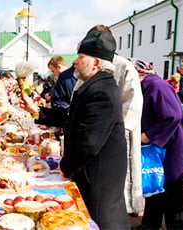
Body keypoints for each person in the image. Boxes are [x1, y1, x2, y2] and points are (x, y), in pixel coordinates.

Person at [20, 25, 129, 229]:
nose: (75, 62)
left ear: (96, 63)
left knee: (102, 220)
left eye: (80, 57)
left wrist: (66, 167)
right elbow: (74, 117)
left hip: (98, 177)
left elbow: (87, 142)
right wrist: (38, 111)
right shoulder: (95, 85)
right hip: (94, 173)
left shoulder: (101, 91)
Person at [131, 59, 183, 229]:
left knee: (172, 195)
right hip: (165, 146)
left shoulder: (156, 86)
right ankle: (150, 225)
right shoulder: (147, 86)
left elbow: (172, 116)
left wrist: (148, 135)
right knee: (157, 188)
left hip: (174, 149)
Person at [113, 54, 144, 216]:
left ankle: (128, 206)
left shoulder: (124, 67)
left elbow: (132, 106)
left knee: (126, 173)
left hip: (123, 131)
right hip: (113, 132)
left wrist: (118, 128)